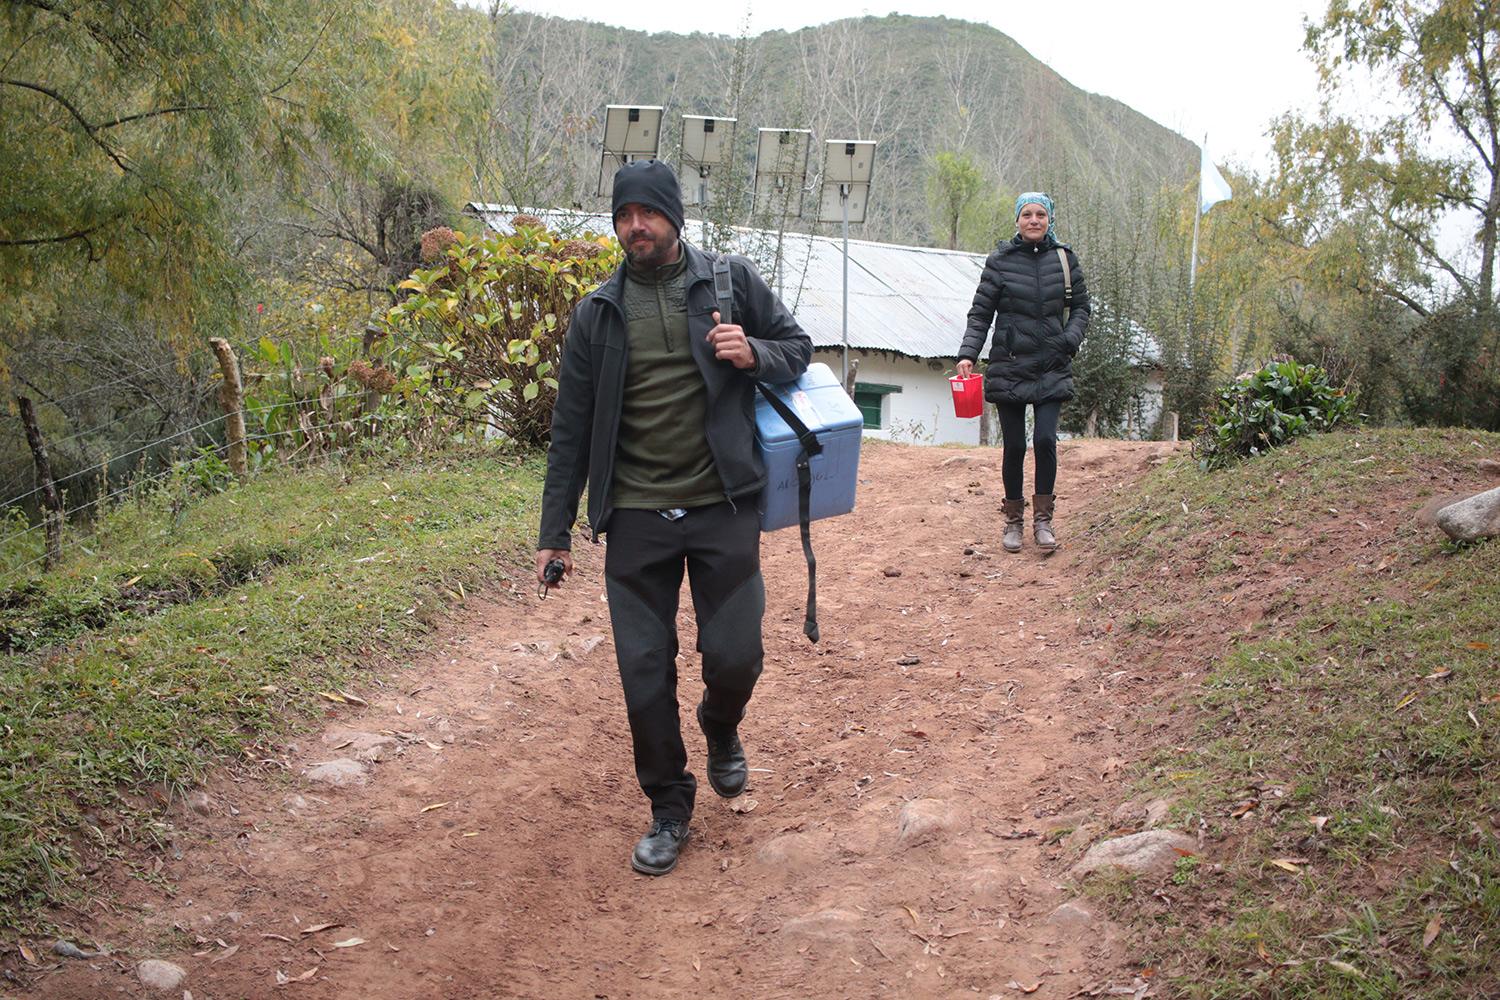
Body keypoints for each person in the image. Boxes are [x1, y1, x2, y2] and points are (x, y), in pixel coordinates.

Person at [535, 160, 812, 876]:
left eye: (647, 214)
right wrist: (553, 533)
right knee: (643, 673)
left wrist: (753, 351)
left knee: (736, 656)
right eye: (624, 215)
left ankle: (721, 727)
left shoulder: (728, 283)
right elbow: (570, 429)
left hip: (723, 505)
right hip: (636, 515)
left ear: (673, 218)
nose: (635, 226)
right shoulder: (598, 313)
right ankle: (668, 807)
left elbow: (798, 349)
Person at [955, 191, 1090, 554]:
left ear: (1050, 220)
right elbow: (980, 313)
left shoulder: (1065, 260)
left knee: (1045, 440)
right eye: (1027, 214)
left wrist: (1069, 340)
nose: (1034, 220)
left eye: (1040, 214)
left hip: (1051, 364)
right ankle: (1013, 520)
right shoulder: (999, 261)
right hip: (1010, 365)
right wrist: (969, 353)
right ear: (1017, 220)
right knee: (1014, 445)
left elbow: (1081, 308)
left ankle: (1043, 521)